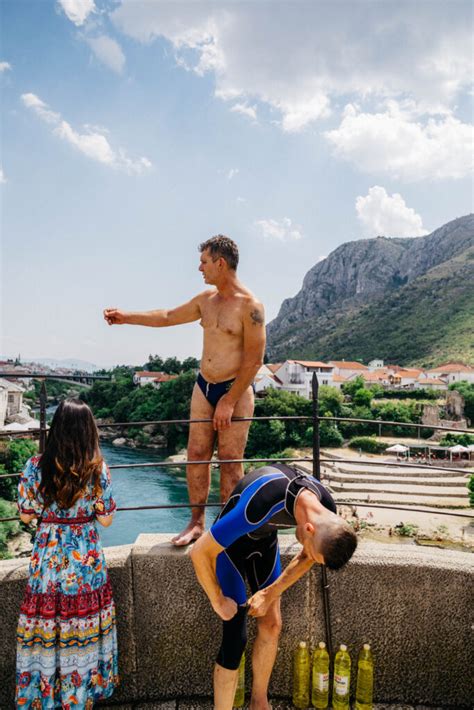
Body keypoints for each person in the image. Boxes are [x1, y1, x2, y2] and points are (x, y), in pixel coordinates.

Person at [104, 235, 265, 546]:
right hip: (204, 387)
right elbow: (167, 316)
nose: (199, 267)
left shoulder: (251, 307)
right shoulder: (206, 300)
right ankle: (195, 523)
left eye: (204, 262)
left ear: (221, 263)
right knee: (196, 456)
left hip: (237, 390)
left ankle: (229, 530)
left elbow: (255, 359)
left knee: (231, 460)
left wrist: (229, 401)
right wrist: (126, 317)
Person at [190, 463, 358, 710]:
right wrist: (217, 600)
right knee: (235, 636)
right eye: (312, 552)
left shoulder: (327, 510)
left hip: (264, 543)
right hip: (229, 549)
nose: (309, 557)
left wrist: (270, 593)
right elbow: (199, 551)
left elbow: (308, 557)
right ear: (309, 529)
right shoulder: (262, 501)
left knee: (272, 624)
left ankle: (259, 702)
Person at [16, 398, 119, 709]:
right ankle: (81, 694)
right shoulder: (97, 469)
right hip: (84, 555)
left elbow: (25, 515)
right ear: (88, 431)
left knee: (46, 623)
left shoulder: (35, 466)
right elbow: (106, 518)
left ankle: (45, 695)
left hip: (48, 552)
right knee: (81, 622)